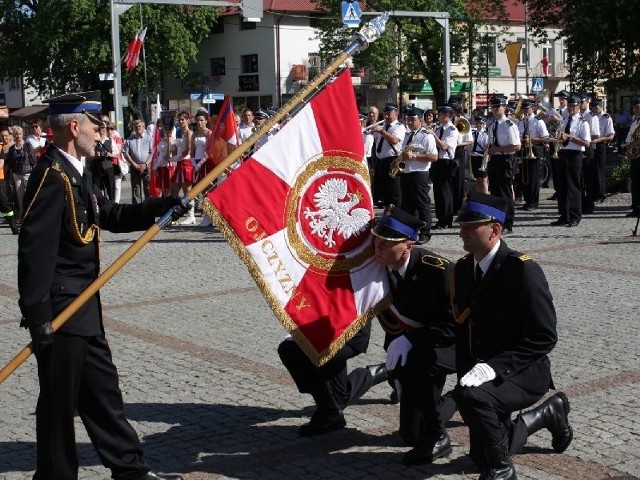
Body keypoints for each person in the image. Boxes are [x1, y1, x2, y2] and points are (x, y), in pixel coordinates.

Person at [17, 90, 183, 480]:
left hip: (83, 307)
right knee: (59, 405)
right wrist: (38, 315)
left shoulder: (77, 171)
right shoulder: (51, 176)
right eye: (96, 125)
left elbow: (107, 213)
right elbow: (33, 251)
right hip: (62, 310)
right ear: (75, 127)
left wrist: (160, 206)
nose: (101, 132)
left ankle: (131, 470)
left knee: (102, 393)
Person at [450, 191, 573, 480]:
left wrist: (492, 367)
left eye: (470, 226)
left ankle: (501, 469)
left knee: (472, 399)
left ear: (495, 230)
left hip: (522, 372)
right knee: (480, 453)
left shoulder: (522, 271)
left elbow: (544, 336)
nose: (462, 232)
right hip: (485, 372)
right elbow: (462, 328)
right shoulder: (464, 270)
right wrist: (466, 371)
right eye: (461, 225)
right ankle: (544, 415)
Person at [372, 206, 457, 465]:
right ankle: (454, 400)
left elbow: (455, 325)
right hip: (416, 348)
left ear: (408, 246)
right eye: (377, 239)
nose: (378, 247)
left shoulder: (438, 272)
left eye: (386, 243)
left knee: (418, 365)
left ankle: (439, 436)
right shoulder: (379, 267)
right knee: (410, 434)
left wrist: (411, 340)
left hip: (452, 344)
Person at [278, 323, 387, 437]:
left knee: (291, 350)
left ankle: (329, 411)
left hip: (348, 332)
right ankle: (388, 369)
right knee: (339, 399)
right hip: (325, 327)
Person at [398, 105, 436, 244]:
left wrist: (413, 155)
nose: (409, 122)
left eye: (412, 119)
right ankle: (409, 231)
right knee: (407, 205)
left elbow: (434, 156)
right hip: (407, 172)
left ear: (420, 120)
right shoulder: (407, 135)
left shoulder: (427, 136)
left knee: (422, 204)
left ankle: (425, 233)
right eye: (408, 119)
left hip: (419, 174)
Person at [551, 95, 591, 227]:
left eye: (573, 106)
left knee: (573, 186)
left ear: (579, 106)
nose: (570, 108)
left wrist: (570, 137)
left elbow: (586, 143)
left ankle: (574, 216)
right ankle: (564, 215)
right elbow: (559, 137)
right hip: (563, 153)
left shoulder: (582, 122)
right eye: (569, 106)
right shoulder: (563, 121)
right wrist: (558, 137)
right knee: (561, 187)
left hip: (575, 155)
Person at [484, 96, 521, 233]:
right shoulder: (492, 124)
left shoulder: (510, 125)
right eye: (492, 107)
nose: (494, 110)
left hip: (506, 160)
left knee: (505, 193)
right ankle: (498, 221)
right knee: (495, 193)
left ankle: (508, 223)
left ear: (504, 107)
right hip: (495, 160)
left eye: (497, 107)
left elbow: (517, 146)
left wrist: (497, 149)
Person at [371, 103, 406, 209]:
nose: (385, 116)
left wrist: (381, 131)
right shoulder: (383, 126)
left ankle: (395, 214)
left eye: (388, 114)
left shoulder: (399, 127)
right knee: (384, 190)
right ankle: (387, 213)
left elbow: (394, 140)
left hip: (393, 160)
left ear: (396, 114)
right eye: (384, 114)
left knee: (394, 191)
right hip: (381, 161)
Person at [431, 105, 460, 229]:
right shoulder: (439, 128)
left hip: (446, 162)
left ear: (447, 115)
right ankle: (440, 218)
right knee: (438, 192)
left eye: (440, 114)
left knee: (445, 192)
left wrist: (433, 135)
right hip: (437, 161)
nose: (438, 117)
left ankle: (447, 219)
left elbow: (444, 146)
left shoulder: (452, 130)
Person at [517, 100, 549, 211]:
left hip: (535, 149)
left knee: (534, 177)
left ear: (532, 108)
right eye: (524, 109)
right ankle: (527, 200)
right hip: (524, 150)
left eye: (527, 109)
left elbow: (545, 137)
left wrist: (532, 139)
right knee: (524, 177)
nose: (526, 111)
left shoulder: (538, 121)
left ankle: (534, 202)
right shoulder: (521, 121)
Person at [6, 126, 38, 219]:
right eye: (16, 134)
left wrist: (35, 175)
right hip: (17, 175)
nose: (18, 136)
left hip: (28, 173)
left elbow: (33, 160)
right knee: (20, 197)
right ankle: (24, 215)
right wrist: (11, 178)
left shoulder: (27, 145)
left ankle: (32, 215)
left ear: (22, 135)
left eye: (19, 134)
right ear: (14, 136)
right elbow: (11, 164)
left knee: (30, 194)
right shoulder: (12, 149)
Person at [588, 98, 615, 207]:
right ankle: (592, 193)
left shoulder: (606, 118)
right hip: (590, 145)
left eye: (596, 107)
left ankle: (600, 194)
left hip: (600, 145)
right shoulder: (590, 116)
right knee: (591, 170)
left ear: (601, 106)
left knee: (599, 170)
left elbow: (611, 135)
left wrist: (598, 140)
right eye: (593, 107)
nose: (594, 109)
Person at [172, 111, 195, 225]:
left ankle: (191, 215)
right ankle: (174, 214)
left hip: (186, 162)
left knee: (187, 190)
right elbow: (176, 150)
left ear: (188, 121)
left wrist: (178, 157)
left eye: (183, 119)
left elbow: (189, 149)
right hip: (179, 162)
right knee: (174, 189)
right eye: (179, 120)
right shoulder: (178, 133)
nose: (181, 122)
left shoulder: (189, 133)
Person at [123, 119, 153, 204]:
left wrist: (145, 164)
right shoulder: (129, 140)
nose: (137, 128)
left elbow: (152, 153)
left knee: (147, 188)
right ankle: (137, 209)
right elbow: (126, 154)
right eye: (135, 127)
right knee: (136, 188)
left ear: (143, 127)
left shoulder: (149, 138)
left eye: (139, 126)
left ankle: (148, 206)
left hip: (146, 166)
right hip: (134, 167)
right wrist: (134, 164)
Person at [0, 127, 19, 234]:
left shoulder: (0, 147)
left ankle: (12, 225)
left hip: (0, 179)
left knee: (4, 202)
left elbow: (1, 163)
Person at [624, 97, 640, 218]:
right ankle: (636, 208)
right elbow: (629, 138)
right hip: (635, 156)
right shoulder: (635, 122)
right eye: (635, 108)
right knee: (635, 182)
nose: (637, 110)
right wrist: (629, 145)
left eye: (638, 107)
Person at [470, 115, 489, 194]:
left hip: (482, 157)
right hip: (474, 156)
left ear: (483, 124)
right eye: (477, 123)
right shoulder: (472, 133)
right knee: (477, 179)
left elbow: (487, 147)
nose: (478, 124)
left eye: (480, 123)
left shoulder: (485, 134)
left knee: (483, 179)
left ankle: (485, 197)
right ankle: (479, 196)